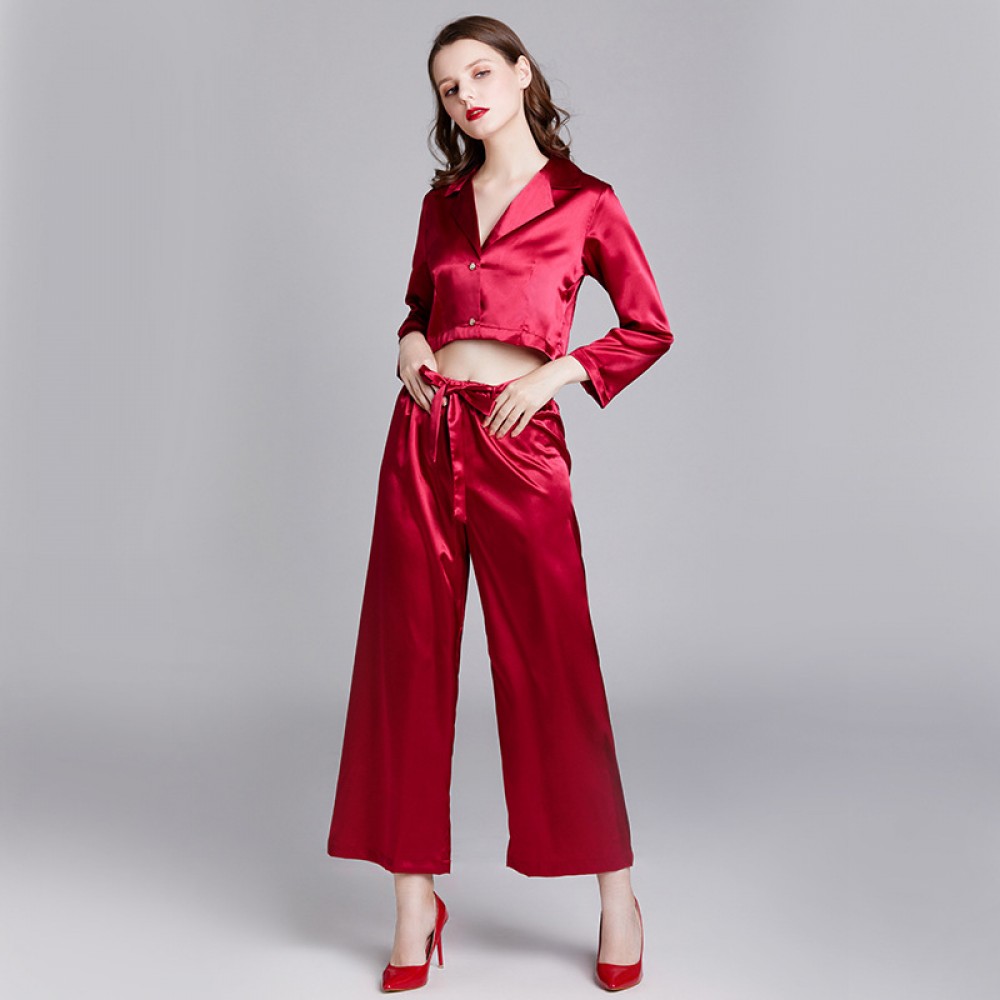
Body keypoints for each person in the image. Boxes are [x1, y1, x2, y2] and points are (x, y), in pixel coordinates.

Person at [326, 14, 672, 993]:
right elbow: (418, 309)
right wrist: (408, 343)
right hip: (423, 434)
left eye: (480, 72)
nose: (466, 95)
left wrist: (560, 371)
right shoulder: (440, 205)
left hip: (520, 447)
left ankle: (616, 895)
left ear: (522, 74)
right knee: (404, 666)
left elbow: (647, 326)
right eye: (449, 87)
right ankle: (413, 902)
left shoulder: (586, 202)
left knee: (555, 668)